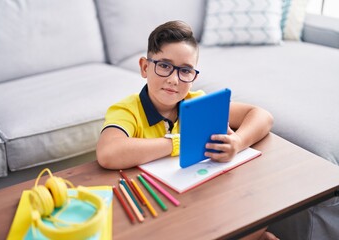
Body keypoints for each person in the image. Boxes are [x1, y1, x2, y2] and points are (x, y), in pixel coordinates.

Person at [97, 21, 277, 240]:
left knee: (259, 229)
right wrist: (178, 143)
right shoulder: (127, 110)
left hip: (196, 203)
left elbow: (262, 115)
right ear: (145, 67)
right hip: (152, 207)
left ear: (194, 77)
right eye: (164, 65)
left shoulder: (198, 103)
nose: (174, 79)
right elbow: (108, 153)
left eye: (185, 71)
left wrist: (238, 142)